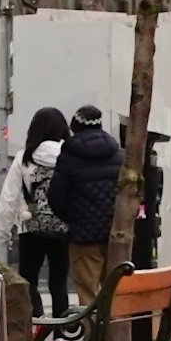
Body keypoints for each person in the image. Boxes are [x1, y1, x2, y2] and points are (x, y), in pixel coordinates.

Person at [0, 105, 71, 313]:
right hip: (63, 226)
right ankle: (60, 334)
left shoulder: (24, 157)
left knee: (29, 281)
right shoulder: (69, 156)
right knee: (59, 282)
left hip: (29, 226)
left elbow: (8, 198)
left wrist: (2, 234)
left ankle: (35, 324)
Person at [50, 105, 124, 312]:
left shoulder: (69, 154)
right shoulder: (118, 154)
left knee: (88, 293)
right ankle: (115, 340)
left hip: (83, 237)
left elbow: (56, 196)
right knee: (116, 290)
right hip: (115, 234)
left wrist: (73, 218)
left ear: (75, 127)